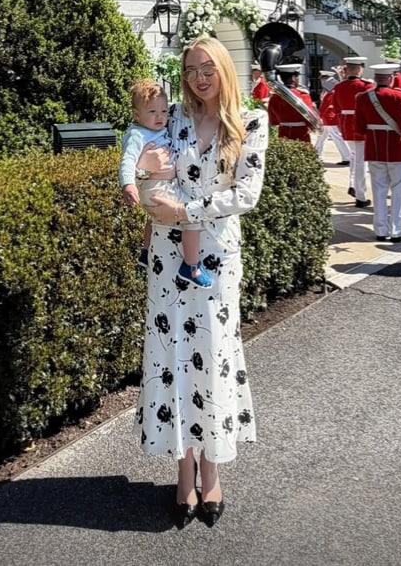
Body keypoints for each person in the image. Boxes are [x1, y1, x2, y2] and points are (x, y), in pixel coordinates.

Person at [125, 36, 268, 528]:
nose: (199, 76)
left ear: (225, 69)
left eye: (208, 67)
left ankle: (211, 467)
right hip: (168, 253)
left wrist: (188, 209)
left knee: (213, 356)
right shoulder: (175, 119)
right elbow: (143, 161)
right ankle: (182, 467)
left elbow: (247, 194)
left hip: (216, 256)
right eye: (190, 69)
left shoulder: (252, 122)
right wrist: (144, 178)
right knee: (171, 356)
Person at [119, 79, 212, 288]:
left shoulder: (154, 128)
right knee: (192, 215)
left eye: (163, 110)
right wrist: (129, 184)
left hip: (158, 187)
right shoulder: (137, 135)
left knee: (152, 219)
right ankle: (191, 266)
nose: (160, 116)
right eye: (152, 112)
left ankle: (145, 252)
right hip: (157, 188)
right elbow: (127, 162)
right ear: (136, 115)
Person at [355, 64, 401, 242]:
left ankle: (380, 230)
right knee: (399, 191)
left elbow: (359, 128)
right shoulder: (399, 96)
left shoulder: (362, 97)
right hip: (397, 149)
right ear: (391, 78)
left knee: (378, 191)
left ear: (376, 78)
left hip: (375, 149)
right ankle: (397, 231)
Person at [331, 55, 373, 207]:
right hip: (362, 127)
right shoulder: (366, 86)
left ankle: (353, 184)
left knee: (355, 158)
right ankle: (360, 196)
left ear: (347, 69)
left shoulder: (339, 87)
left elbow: (336, 108)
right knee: (362, 162)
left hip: (347, 126)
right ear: (360, 69)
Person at [267, 63, 318, 144]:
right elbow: (309, 116)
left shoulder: (274, 97)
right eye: (297, 77)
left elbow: (273, 120)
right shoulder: (303, 95)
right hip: (300, 133)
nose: (298, 79)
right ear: (293, 78)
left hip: (283, 132)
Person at [314, 70, 351, 164]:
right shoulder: (326, 90)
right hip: (327, 117)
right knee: (321, 137)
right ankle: (316, 155)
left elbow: (329, 105)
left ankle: (347, 157)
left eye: (323, 79)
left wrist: (320, 117)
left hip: (330, 117)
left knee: (336, 137)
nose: (321, 81)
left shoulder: (331, 91)